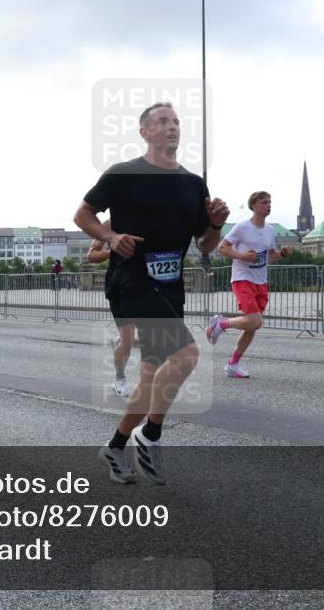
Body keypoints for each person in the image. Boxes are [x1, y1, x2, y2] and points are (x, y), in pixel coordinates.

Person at [75, 101, 229, 485]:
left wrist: (214, 224)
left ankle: (115, 445)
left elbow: (207, 245)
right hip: (132, 280)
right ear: (144, 131)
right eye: (162, 122)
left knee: (149, 377)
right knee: (187, 354)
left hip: (170, 285)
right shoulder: (123, 174)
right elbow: (82, 214)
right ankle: (152, 433)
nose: (172, 127)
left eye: (176, 122)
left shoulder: (194, 184)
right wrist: (111, 237)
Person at [206, 191, 292, 377]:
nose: (268, 205)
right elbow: (222, 247)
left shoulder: (270, 231)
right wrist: (242, 256)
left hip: (261, 281)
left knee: (252, 325)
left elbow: (269, 256)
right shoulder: (242, 227)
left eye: (270, 202)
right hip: (242, 278)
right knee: (255, 320)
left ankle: (233, 364)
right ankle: (220, 324)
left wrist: (282, 254)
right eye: (264, 202)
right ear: (253, 206)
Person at [87, 218, 140, 397]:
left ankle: (120, 342)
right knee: (128, 341)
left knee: (157, 338)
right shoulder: (110, 223)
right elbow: (91, 255)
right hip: (120, 287)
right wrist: (114, 251)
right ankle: (120, 379)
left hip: (147, 285)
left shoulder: (153, 214)